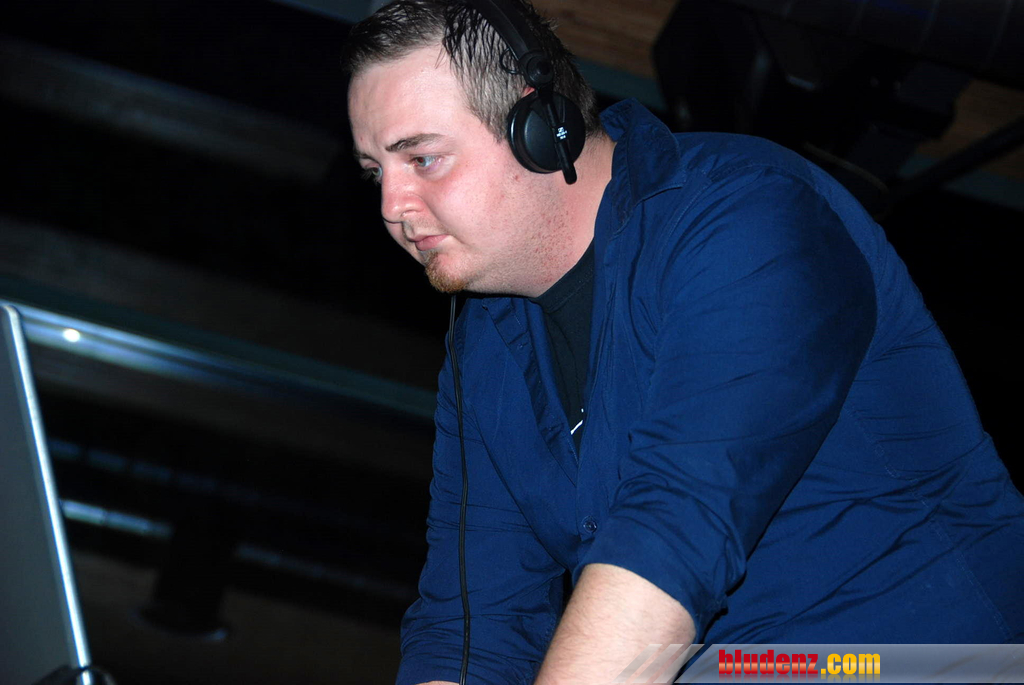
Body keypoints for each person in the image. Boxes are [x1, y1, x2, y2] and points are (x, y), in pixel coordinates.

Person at [343, 1, 1024, 683]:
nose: (391, 207)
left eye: (422, 159)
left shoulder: (747, 214)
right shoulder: (484, 348)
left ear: (541, 127)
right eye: (377, 173)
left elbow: (674, 527)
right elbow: (472, 628)